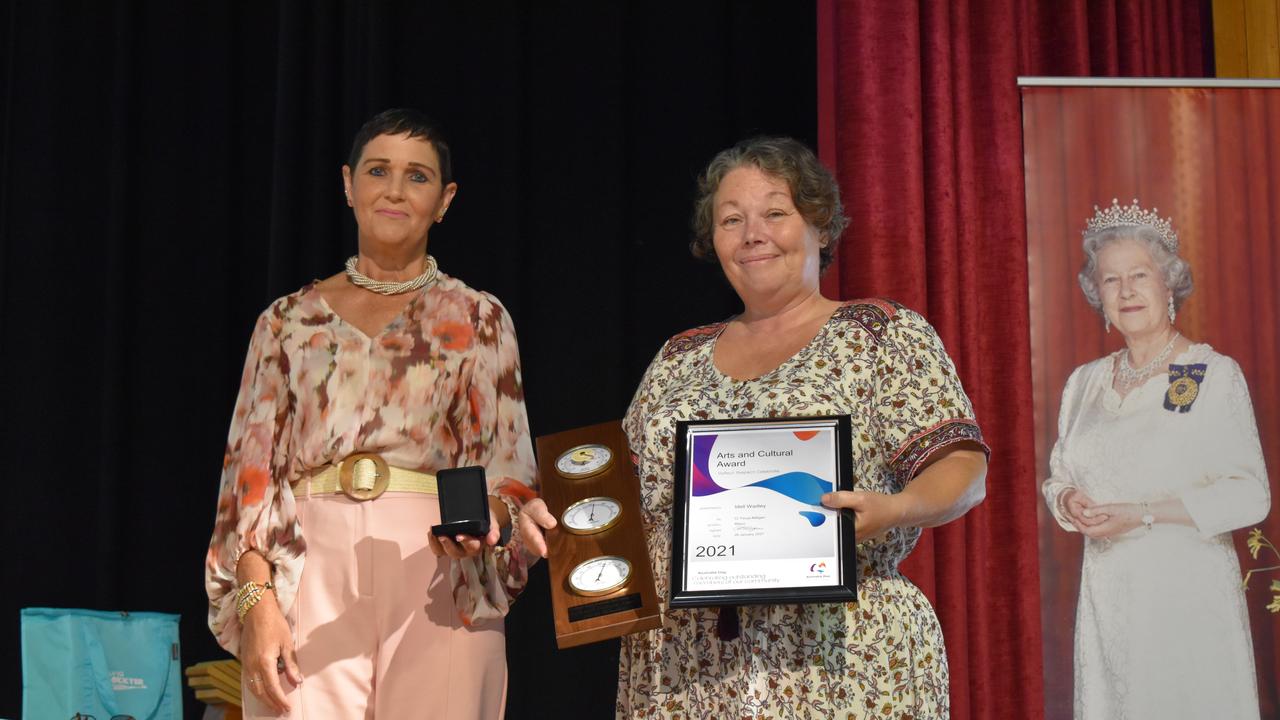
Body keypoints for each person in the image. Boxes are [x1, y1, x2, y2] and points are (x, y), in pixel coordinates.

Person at [520, 137, 989, 717]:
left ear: (820, 226)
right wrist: (559, 519)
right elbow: (620, 500)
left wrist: (895, 509)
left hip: (843, 660)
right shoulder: (678, 357)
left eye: (775, 213)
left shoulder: (881, 334)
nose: (752, 234)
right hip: (684, 669)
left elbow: (962, 468)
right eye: (731, 220)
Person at [204, 108, 536, 719]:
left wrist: (492, 520)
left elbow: (510, 475)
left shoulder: (481, 318)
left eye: (418, 176)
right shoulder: (286, 322)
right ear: (348, 184)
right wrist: (255, 601)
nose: (394, 189)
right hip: (307, 567)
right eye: (378, 170)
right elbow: (247, 486)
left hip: (441, 575)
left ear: (445, 200)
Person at [1041, 199, 1269, 719]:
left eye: (1139, 275)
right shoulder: (1084, 383)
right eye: (1110, 280)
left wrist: (1142, 513)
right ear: (1096, 295)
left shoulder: (1210, 374)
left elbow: (1250, 495)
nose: (1126, 291)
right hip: (1108, 600)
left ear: (1169, 286)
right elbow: (1059, 478)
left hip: (1186, 596)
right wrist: (1069, 498)